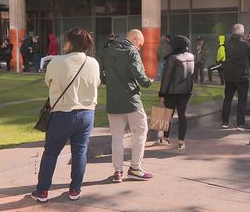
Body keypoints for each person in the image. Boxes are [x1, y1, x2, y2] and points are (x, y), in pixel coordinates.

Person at [31, 28, 100, 203]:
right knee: (80, 152)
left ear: (70, 43)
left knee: (51, 152)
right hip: (86, 114)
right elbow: (97, 83)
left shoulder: (57, 62)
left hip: (62, 114)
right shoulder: (93, 63)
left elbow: (49, 81)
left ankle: (43, 191)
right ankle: (75, 189)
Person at [102, 29, 153, 183]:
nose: (139, 48)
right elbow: (138, 73)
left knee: (116, 137)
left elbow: (102, 74)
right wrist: (147, 82)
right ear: (136, 39)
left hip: (113, 100)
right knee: (140, 131)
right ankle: (135, 167)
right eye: (140, 45)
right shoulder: (132, 51)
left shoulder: (108, 50)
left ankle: (118, 171)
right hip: (131, 99)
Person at [158, 35, 194, 149]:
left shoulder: (172, 58)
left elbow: (167, 77)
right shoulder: (191, 56)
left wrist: (162, 93)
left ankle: (166, 138)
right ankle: (181, 141)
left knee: (168, 114)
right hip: (187, 91)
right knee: (183, 116)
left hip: (172, 91)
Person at [221, 24, 250, 130]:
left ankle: (225, 122)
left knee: (228, 99)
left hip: (229, 74)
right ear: (242, 32)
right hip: (242, 75)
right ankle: (240, 123)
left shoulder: (227, 43)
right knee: (242, 100)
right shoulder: (246, 44)